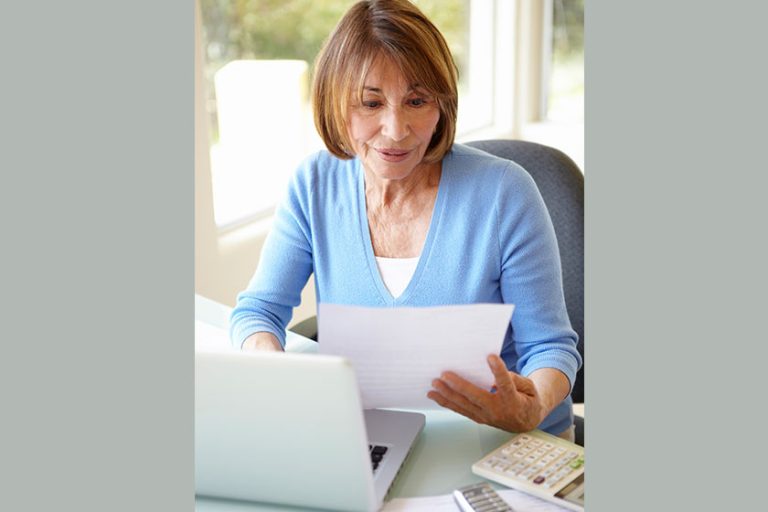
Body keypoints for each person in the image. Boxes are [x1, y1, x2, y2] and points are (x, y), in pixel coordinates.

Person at [229, 0, 582, 440]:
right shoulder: (314, 185)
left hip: (507, 443)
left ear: (442, 106)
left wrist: (532, 406)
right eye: (370, 103)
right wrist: (274, 370)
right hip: (374, 437)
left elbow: (550, 348)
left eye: (416, 101)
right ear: (336, 105)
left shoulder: (505, 193)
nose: (396, 129)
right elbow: (257, 311)